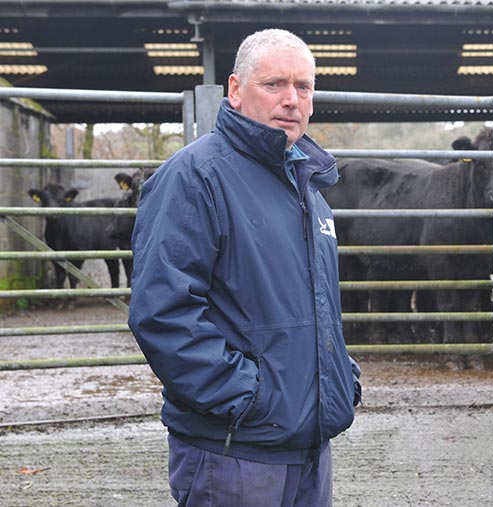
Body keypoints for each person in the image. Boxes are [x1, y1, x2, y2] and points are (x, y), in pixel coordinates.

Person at [128, 28, 361, 507]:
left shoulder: (309, 190)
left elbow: (314, 309)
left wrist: (339, 377)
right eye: (274, 84)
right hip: (233, 451)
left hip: (308, 444)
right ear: (235, 90)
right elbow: (161, 312)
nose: (292, 99)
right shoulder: (195, 178)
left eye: (304, 87)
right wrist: (246, 398)